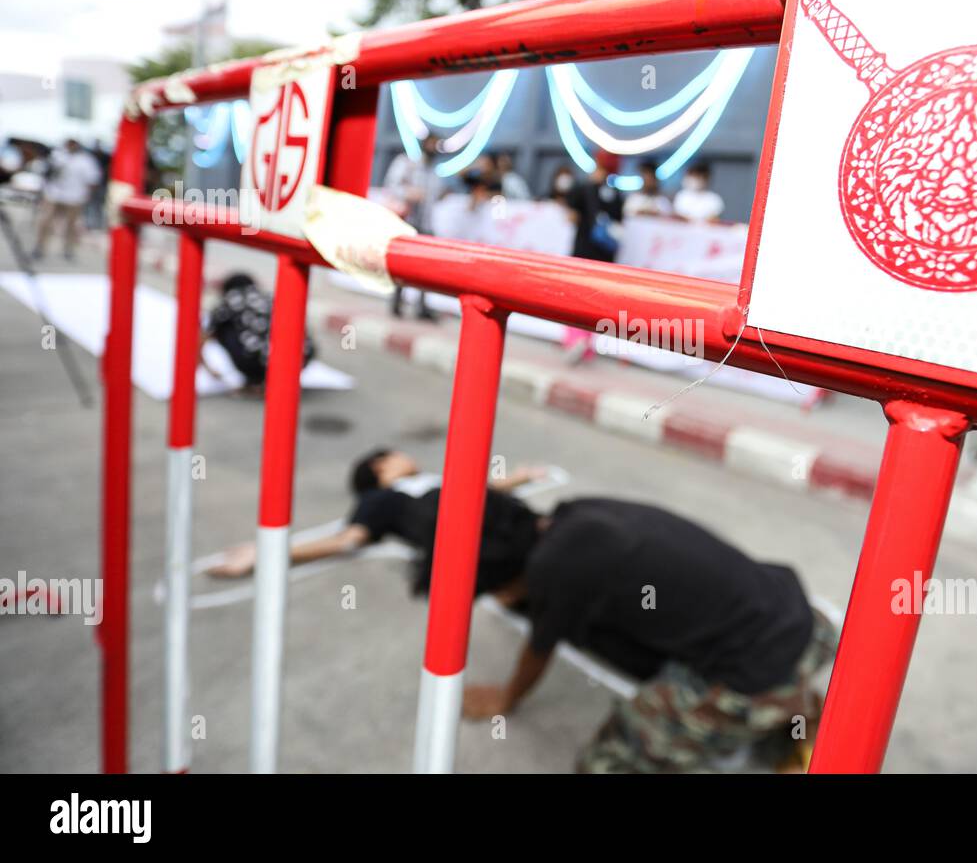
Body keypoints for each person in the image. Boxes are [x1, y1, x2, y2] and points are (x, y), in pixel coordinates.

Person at [208, 449, 835, 773]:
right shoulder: (573, 515)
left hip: (758, 669)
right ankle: (794, 718)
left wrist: (507, 699)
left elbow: (542, 646)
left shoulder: (550, 568)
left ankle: (776, 719)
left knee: (605, 761)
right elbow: (352, 537)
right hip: (800, 615)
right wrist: (265, 554)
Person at [199, 272, 316, 395]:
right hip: (300, 357)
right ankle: (274, 380)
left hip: (258, 360)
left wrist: (209, 370)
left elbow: (203, 337)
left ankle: (255, 381)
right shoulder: (270, 298)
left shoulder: (229, 302)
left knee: (223, 328)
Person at [561, 149, 624, 363]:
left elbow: (571, 216)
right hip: (605, 256)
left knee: (574, 297)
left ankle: (574, 340)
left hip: (583, 252)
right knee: (596, 301)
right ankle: (588, 344)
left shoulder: (581, 187)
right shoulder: (616, 194)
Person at [382, 134, 444, 321]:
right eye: (432, 143)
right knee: (402, 266)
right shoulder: (408, 164)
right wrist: (409, 194)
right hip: (408, 221)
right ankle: (396, 302)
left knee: (427, 269)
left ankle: (421, 306)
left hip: (426, 225)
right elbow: (392, 186)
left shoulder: (434, 173)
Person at [32, 138, 101, 261]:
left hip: (75, 197)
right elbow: (44, 171)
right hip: (54, 194)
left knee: (72, 225)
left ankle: (68, 249)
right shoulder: (57, 156)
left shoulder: (85, 160)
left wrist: (87, 196)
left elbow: (93, 180)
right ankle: (40, 247)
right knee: (45, 222)